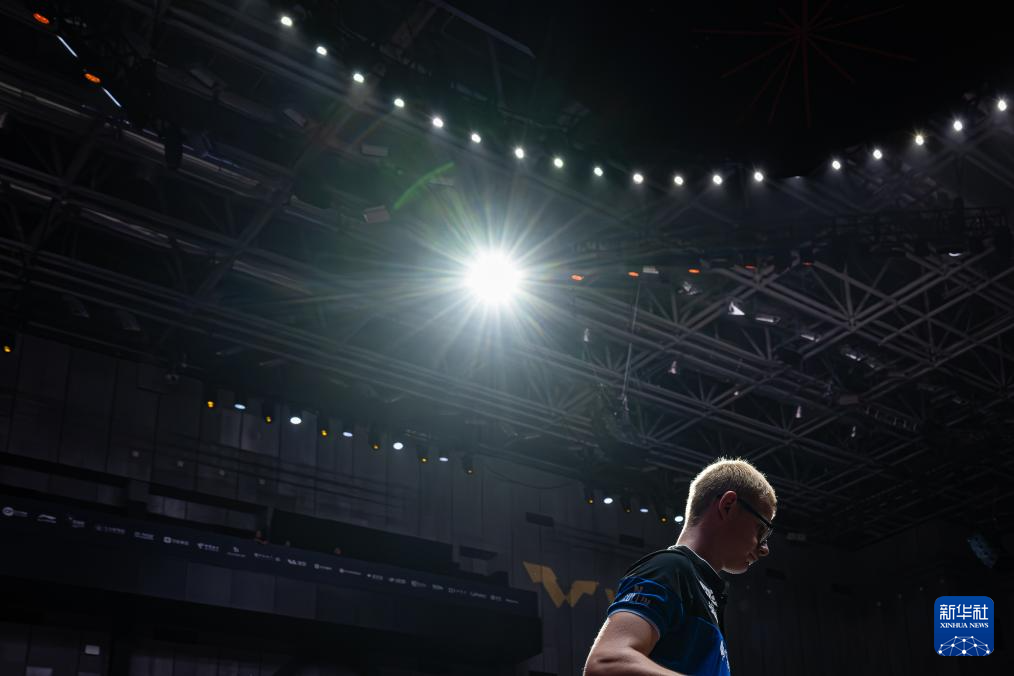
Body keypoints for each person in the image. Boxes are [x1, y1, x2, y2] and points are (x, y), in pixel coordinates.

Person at [584, 458, 777, 676]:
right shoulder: (670, 569)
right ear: (728, 506)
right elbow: (606, 663)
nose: (765, 549)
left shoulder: (701, 588)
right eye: (761, 529)